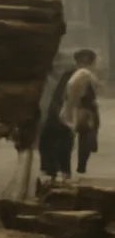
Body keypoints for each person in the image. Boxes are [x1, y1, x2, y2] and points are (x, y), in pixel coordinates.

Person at [61, 48, 101, 176]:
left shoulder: (79, 74)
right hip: (85, 108)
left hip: (84, 108)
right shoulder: (84, 74)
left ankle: (79, 166)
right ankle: (80, 166)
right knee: (85, 137)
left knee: (83, 137)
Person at [38, 54, 77, 179]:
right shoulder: (45, 77)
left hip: (58, 114)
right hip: (50, 114)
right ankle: (54, 172)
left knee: (59, 142)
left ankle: (59, 172)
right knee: (49, 142)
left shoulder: (69, 76)